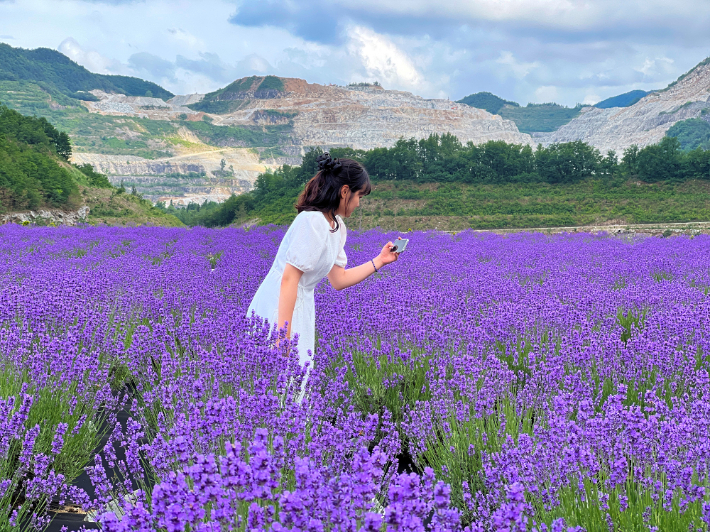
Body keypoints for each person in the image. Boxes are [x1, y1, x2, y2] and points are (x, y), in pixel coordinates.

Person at [247, 153, 401, 367]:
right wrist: (282, 336)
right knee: (275, 381)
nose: (358, 203)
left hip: (302, 306)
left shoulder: (337, 227)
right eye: (359, 196)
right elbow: (289, 279)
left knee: (294, 382)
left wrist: (380, 260)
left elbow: (338, 280)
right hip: (280, 305)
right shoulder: (312, 221)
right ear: (345, 191)